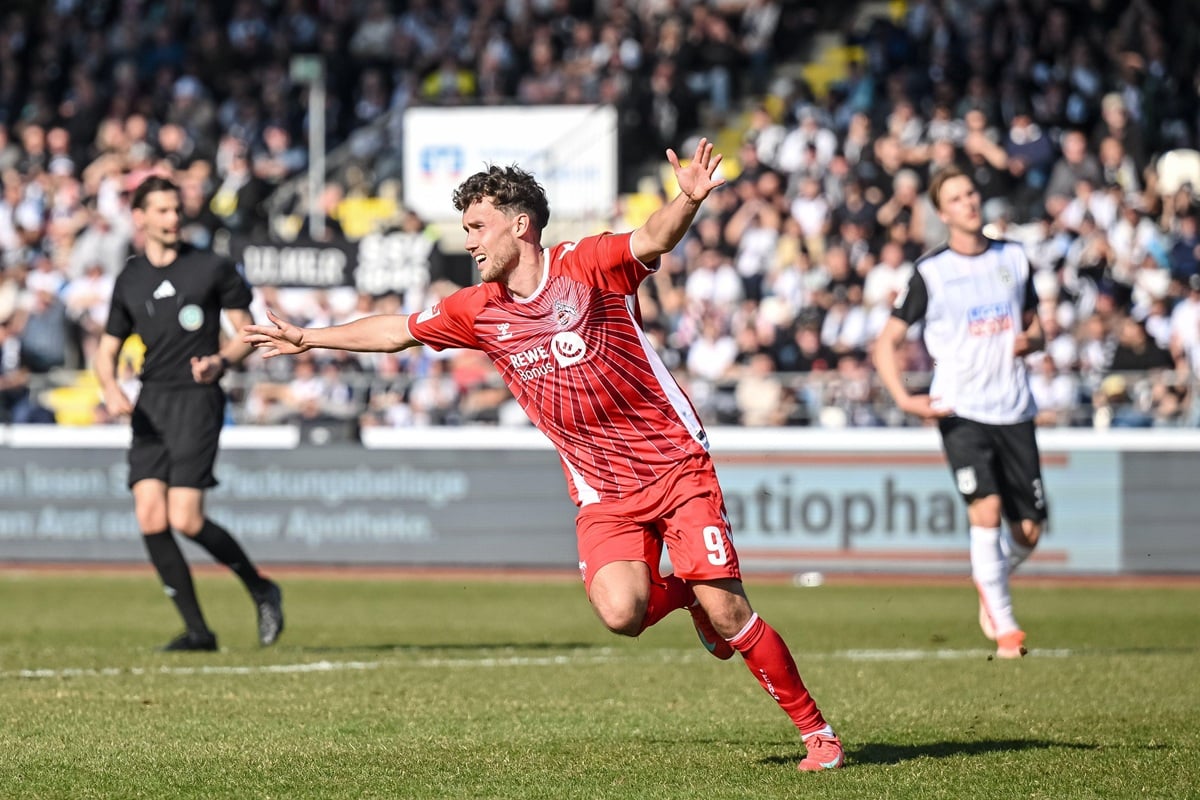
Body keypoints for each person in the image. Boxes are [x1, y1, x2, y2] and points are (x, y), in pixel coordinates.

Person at [244, 140, 844, 771]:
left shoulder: (585, 265)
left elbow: (651, 240)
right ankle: (688, 596)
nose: (469, 240)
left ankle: (816, 733)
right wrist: (309, 337)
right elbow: (398, 331)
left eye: (478, 226)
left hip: (674, 464)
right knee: (621, 612)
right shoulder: (479, 310)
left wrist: (687, 199)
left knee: (730, 610)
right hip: (601, 489)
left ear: (520, 224)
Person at [95, 175, 283, 652]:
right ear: (139, 217)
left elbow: (248, 332)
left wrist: (221, 360)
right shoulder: (130, 277)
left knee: (186, 518)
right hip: (150, 403)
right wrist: (110, 387)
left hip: (197, 400)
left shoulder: (211, 267)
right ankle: (198, 632)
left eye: (176, 209)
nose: (173, 218)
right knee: (150, 516)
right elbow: (107, 349)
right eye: (161, 210)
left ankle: (260, 586)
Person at [872, 165, 1047, 660]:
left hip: (1014, 407)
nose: (969, 202)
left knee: (1028, 532)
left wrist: (1031, 340)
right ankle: (1007, 628)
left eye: (972, 192)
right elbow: (886, 342)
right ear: (943, 212)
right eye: (957, 197)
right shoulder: (931, 272)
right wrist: (906, 399)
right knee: (985, 508)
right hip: (961, 408)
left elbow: (1038, 329)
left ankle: (988, 579)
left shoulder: (1014, 256)